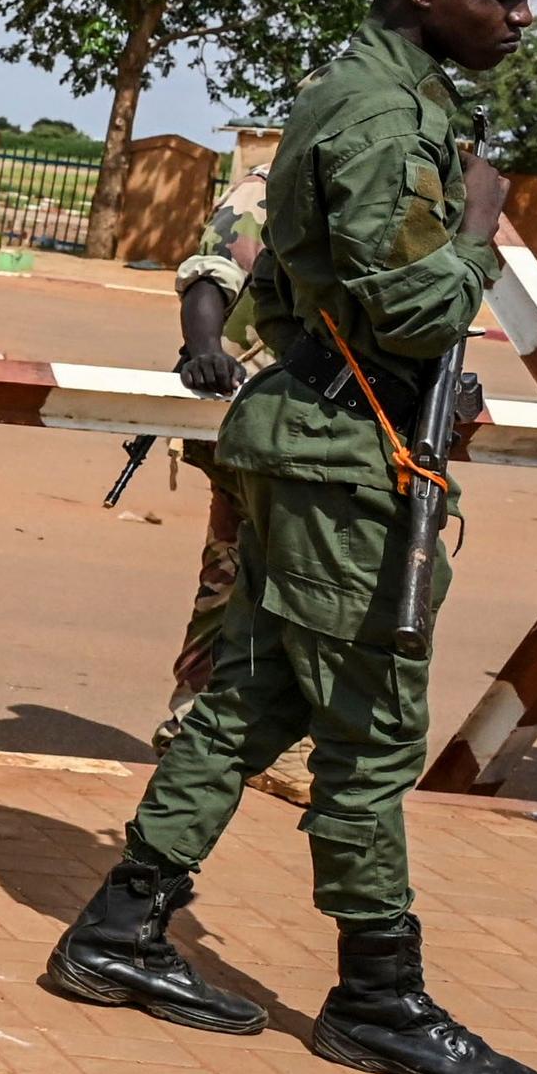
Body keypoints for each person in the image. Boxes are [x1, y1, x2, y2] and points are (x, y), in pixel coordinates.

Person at [48, 0, 537, 1074]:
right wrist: (484, 226)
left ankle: (122, 926)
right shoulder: (384, 117)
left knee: (253, 697)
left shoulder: (389, 99)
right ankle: (378, 997)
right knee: (376, 725)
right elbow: (418, 308)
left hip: (321, 435)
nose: (522, 15)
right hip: (343, 457)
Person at [161, 160, 320, 807]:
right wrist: (204, 348)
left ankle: (207, 720)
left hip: (319, 425)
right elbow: (212, 275)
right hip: (261, 415)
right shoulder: (272, 184)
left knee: (248, 576)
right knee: (251, 575)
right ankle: (202, 719)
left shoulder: (380, 178)